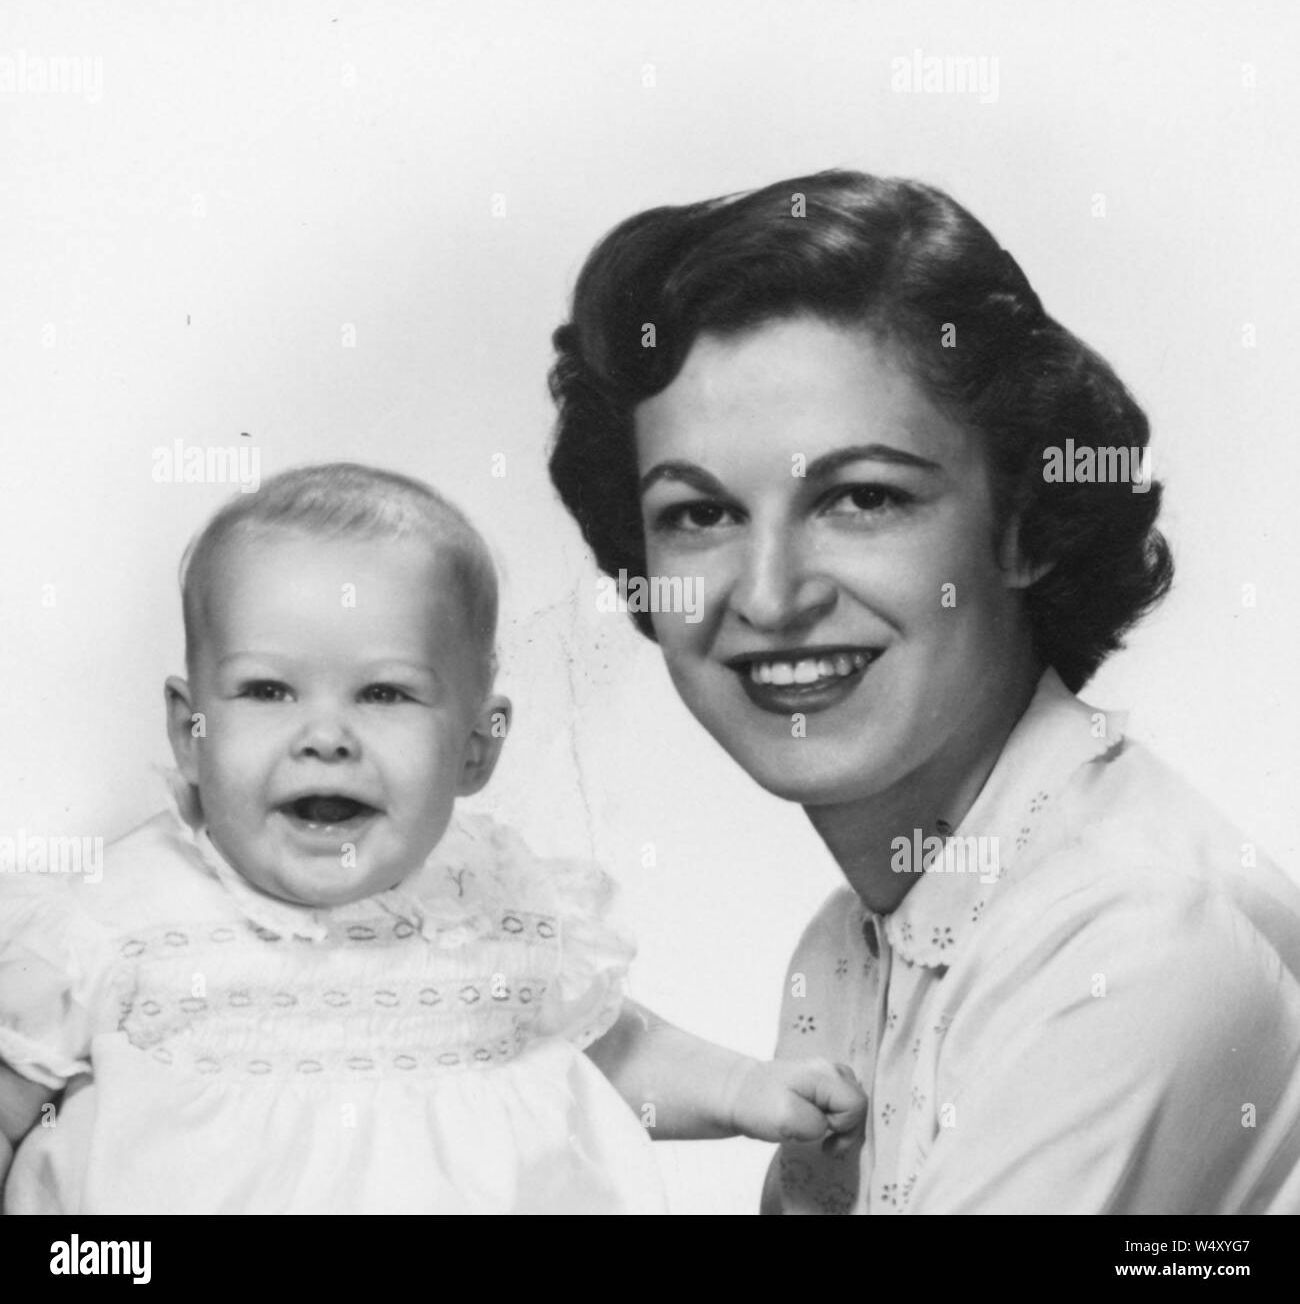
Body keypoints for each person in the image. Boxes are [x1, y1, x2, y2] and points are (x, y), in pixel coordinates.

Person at [547, 170, 1300, 1214]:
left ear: (1025, 526)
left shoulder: (1133, 936)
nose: (768, 595)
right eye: (699, 514)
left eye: (862, 497)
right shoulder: (846, 945)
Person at [0, 462, 866, 1214]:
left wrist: (740, 1088)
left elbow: (609, 1049)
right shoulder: (112, 922)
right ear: (192, 730)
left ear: (476, 747)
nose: (325, 736)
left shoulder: (495, 902)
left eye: (383, 695)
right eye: (268, 691)